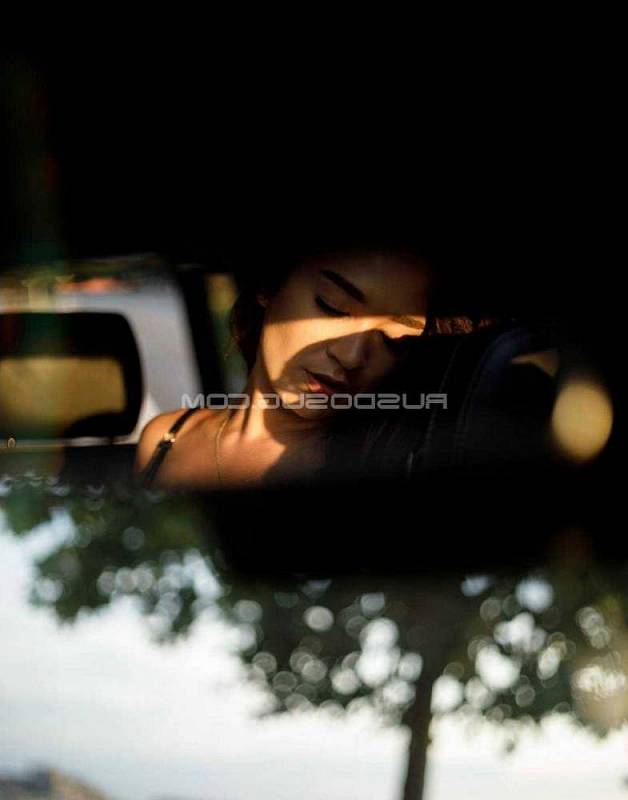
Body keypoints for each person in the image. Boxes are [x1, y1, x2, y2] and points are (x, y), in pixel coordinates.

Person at [134, 245, 444, 490]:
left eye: (394, 340)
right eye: (333, 306)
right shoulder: (165, 438)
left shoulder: (387, 462)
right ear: (269, 286)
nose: (351, 356)